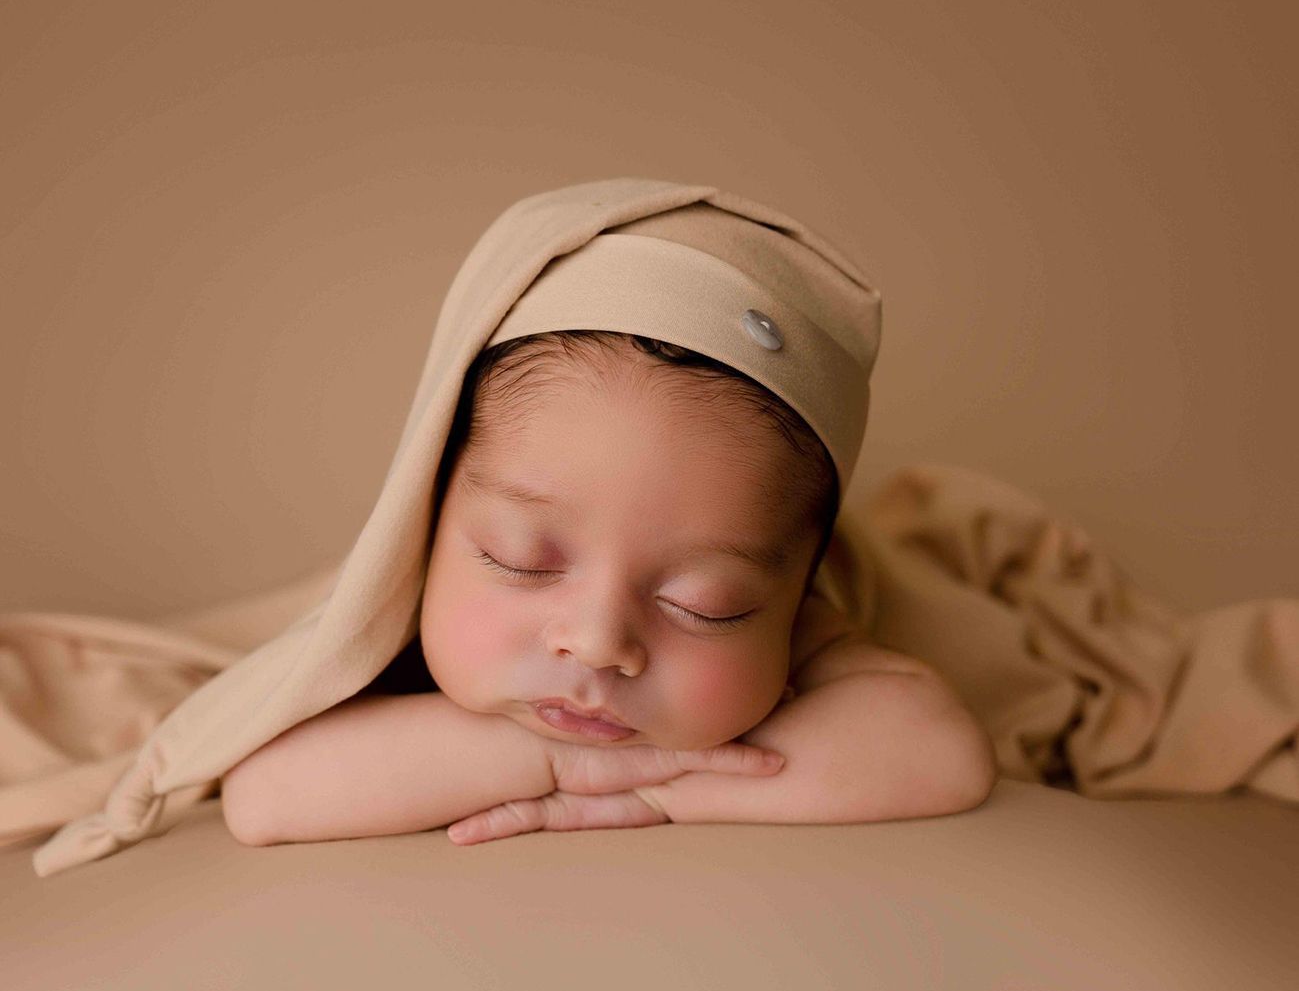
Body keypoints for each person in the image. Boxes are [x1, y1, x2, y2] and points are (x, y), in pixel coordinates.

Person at [219, 326, 996, 847]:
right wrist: (558, 764)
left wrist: (653, 792)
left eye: (704, 605)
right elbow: (263, 795)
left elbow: (936, 751)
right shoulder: (398, 604)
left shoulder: (803, 622)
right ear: (423, 521)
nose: (597, 643)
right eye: (523, 561)